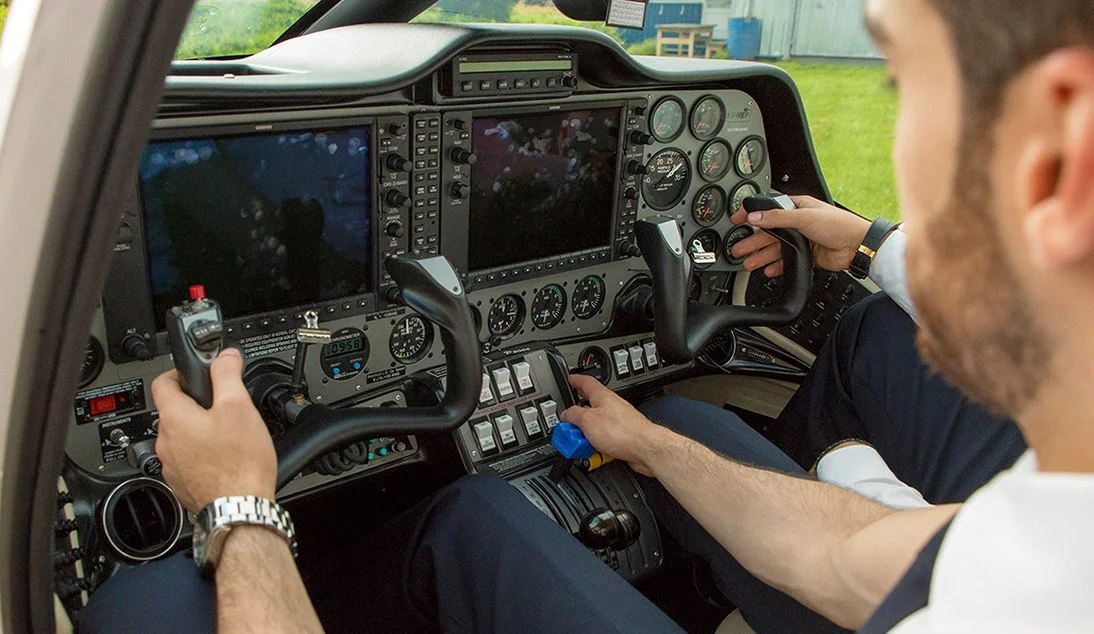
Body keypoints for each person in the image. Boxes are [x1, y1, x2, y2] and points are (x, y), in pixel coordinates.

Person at [76, 0, 1094, 631]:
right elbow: (850, 564)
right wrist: (650, 438)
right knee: (544, 483)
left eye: (904, 82)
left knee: (149, 596)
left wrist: (239, 506)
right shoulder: (1048, 554)